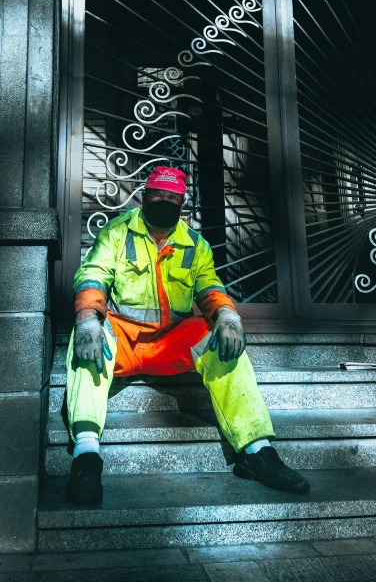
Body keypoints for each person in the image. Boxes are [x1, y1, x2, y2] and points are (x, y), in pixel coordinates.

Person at [65, 166, 310, 503]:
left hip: (169, 344)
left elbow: (210, 287)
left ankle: (258, 452)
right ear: (145, 196)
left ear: (182, 203)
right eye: (158, 195)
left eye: (172, 198)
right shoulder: (116, 233)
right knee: (88, 334)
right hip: (123, 341)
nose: (164, 202)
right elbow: (93, 275)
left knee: (221, 339)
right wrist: (88, 318)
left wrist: (227, 316)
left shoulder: (195, 244)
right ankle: (86, 456)